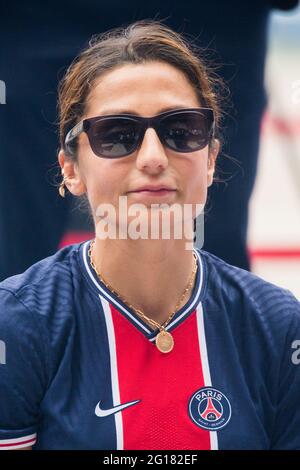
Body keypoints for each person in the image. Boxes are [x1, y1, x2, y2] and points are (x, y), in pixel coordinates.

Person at [0, 20, 300, 451]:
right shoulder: (18, 326)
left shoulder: (278, 325)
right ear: (71, 168)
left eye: (182, 131)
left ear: (211, 157)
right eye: (118, 135)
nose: (154, 158)